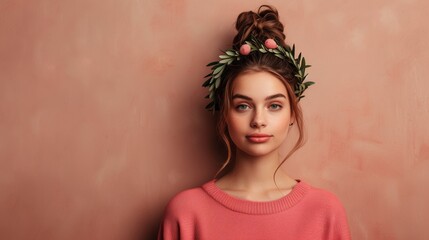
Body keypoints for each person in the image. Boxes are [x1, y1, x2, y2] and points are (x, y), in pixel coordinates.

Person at [158, 5, 351, 240]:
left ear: (292, 113)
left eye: (274, 106)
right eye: (243, 106)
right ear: (225, 112)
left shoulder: (325, 212)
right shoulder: (186, 213)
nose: (258, 121)